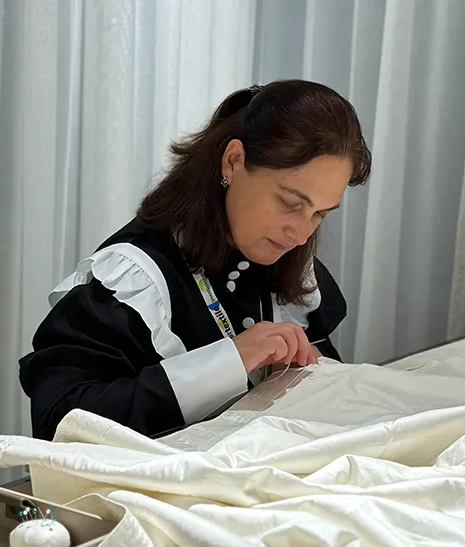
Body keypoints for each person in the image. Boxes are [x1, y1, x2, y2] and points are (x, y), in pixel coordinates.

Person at [19, 79, 372, 441]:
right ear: (233, 162)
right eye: (289, 203)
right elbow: (59, 421)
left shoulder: (288, 257)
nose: (300, 235)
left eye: (319, 214)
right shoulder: (136, 278)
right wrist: (228, 363)